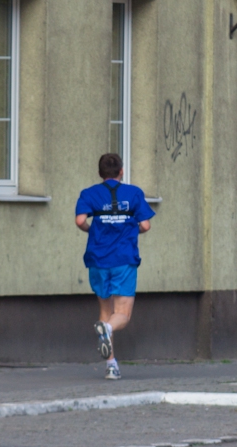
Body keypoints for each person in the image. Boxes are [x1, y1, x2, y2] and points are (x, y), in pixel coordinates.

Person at [75, 153, 155, 380]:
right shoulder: (134, 193)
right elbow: (146, 225)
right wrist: (131, 230)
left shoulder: (89, 194)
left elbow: (80, 220)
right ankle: (108, 331)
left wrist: (92, 230)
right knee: (122, 315)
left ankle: (111, 365)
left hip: (98, 259)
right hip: (123, 258)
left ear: (101, 174)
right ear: (121, 171)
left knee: (105, 312)